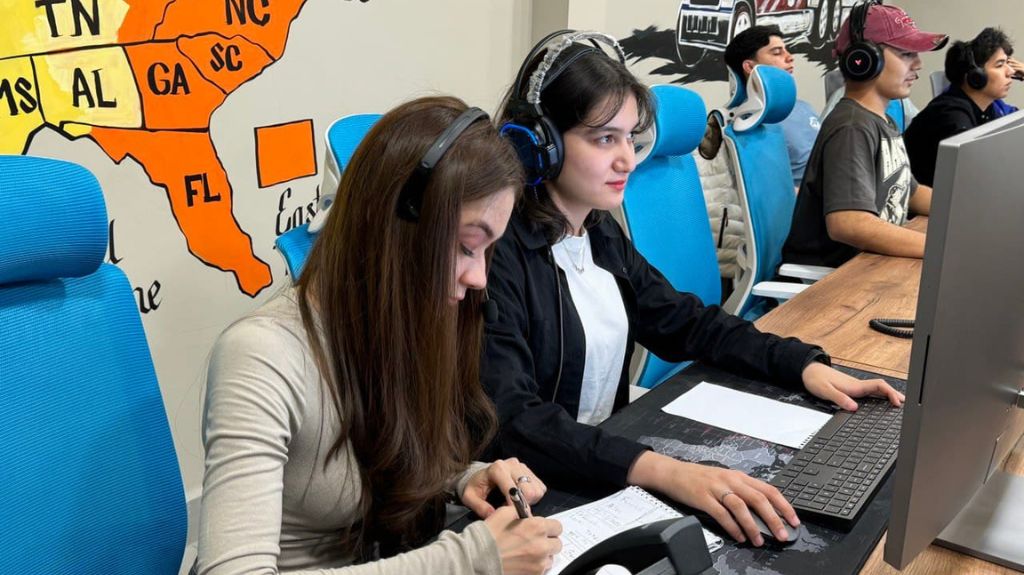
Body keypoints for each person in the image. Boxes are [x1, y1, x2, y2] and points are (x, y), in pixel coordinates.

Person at [483, 31, 905, 549]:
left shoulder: (595, 230)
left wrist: (801, 364)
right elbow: (516, 420)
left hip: (596, 466)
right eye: (603, 139)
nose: (628, 161)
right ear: (539, 144)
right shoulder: (495, 254)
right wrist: (665, 471)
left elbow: (683, 320)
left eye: (629, 137)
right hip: (525, 494)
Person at [196, 96, 562, 575]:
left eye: (488, 251)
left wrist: (464, 478)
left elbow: (379, 452)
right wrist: (473, 558)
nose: (479, 278)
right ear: (393, 230)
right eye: (466, 247)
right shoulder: (261, 353)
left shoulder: (399, 324)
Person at [782, 3, 947, 269]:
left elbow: (910, 191)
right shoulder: (851, 128)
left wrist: (963, 212)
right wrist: (942, 249)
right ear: (865, 58)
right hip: (832, 281)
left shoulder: (883, 121)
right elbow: (849, 223)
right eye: (906, 53)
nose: (918, 63)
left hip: (868, 265)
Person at [904, 28, 1024, 186]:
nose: (1011, 71)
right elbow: (977, 173)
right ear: (976, 77)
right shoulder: (949, 114)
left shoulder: (992, 107)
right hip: (926, 207)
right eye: (1000, 65)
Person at [725, 25, 821, 191]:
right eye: (777, 52)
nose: (789, 57)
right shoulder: (748, 124)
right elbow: (770, 192)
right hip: (811, 205)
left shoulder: (804, 107)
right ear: (750, 67)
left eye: (786, 50)